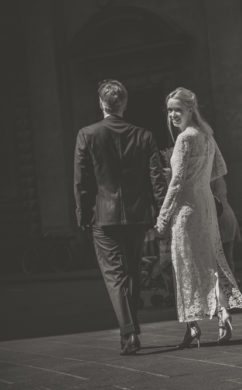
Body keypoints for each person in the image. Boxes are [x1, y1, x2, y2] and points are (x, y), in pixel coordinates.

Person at [73, 79, 167, 355]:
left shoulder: (86, 134)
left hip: (103, 217)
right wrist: (163, 211)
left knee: (115, 276)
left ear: (101, 104)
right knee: (133, 273)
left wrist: (81, 213)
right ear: (124, 103)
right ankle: (133, 328)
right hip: (138, 216)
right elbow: (156, 179)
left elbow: (81, 181)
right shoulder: (144, 135)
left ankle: (128, 334)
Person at [154, 87, 242, 348]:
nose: (172, 114)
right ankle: (223, 315)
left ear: (189, 110)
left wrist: (163, 216)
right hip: (205, 205)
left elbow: (177, 183)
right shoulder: (207, 136)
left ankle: (192, 328)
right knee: (210, 264)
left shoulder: (185, 139)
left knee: (184, 266)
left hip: (187, 210)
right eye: (170, 109)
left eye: (177, 109)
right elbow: (219, 170)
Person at [211, 176, 241, 276]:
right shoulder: (219, 177)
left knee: (223, 257)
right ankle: (232, 282)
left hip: (220, 216)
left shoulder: (212, 178)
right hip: (227, 214)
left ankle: (230, 284)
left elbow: (216, 200)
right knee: (228, 256)